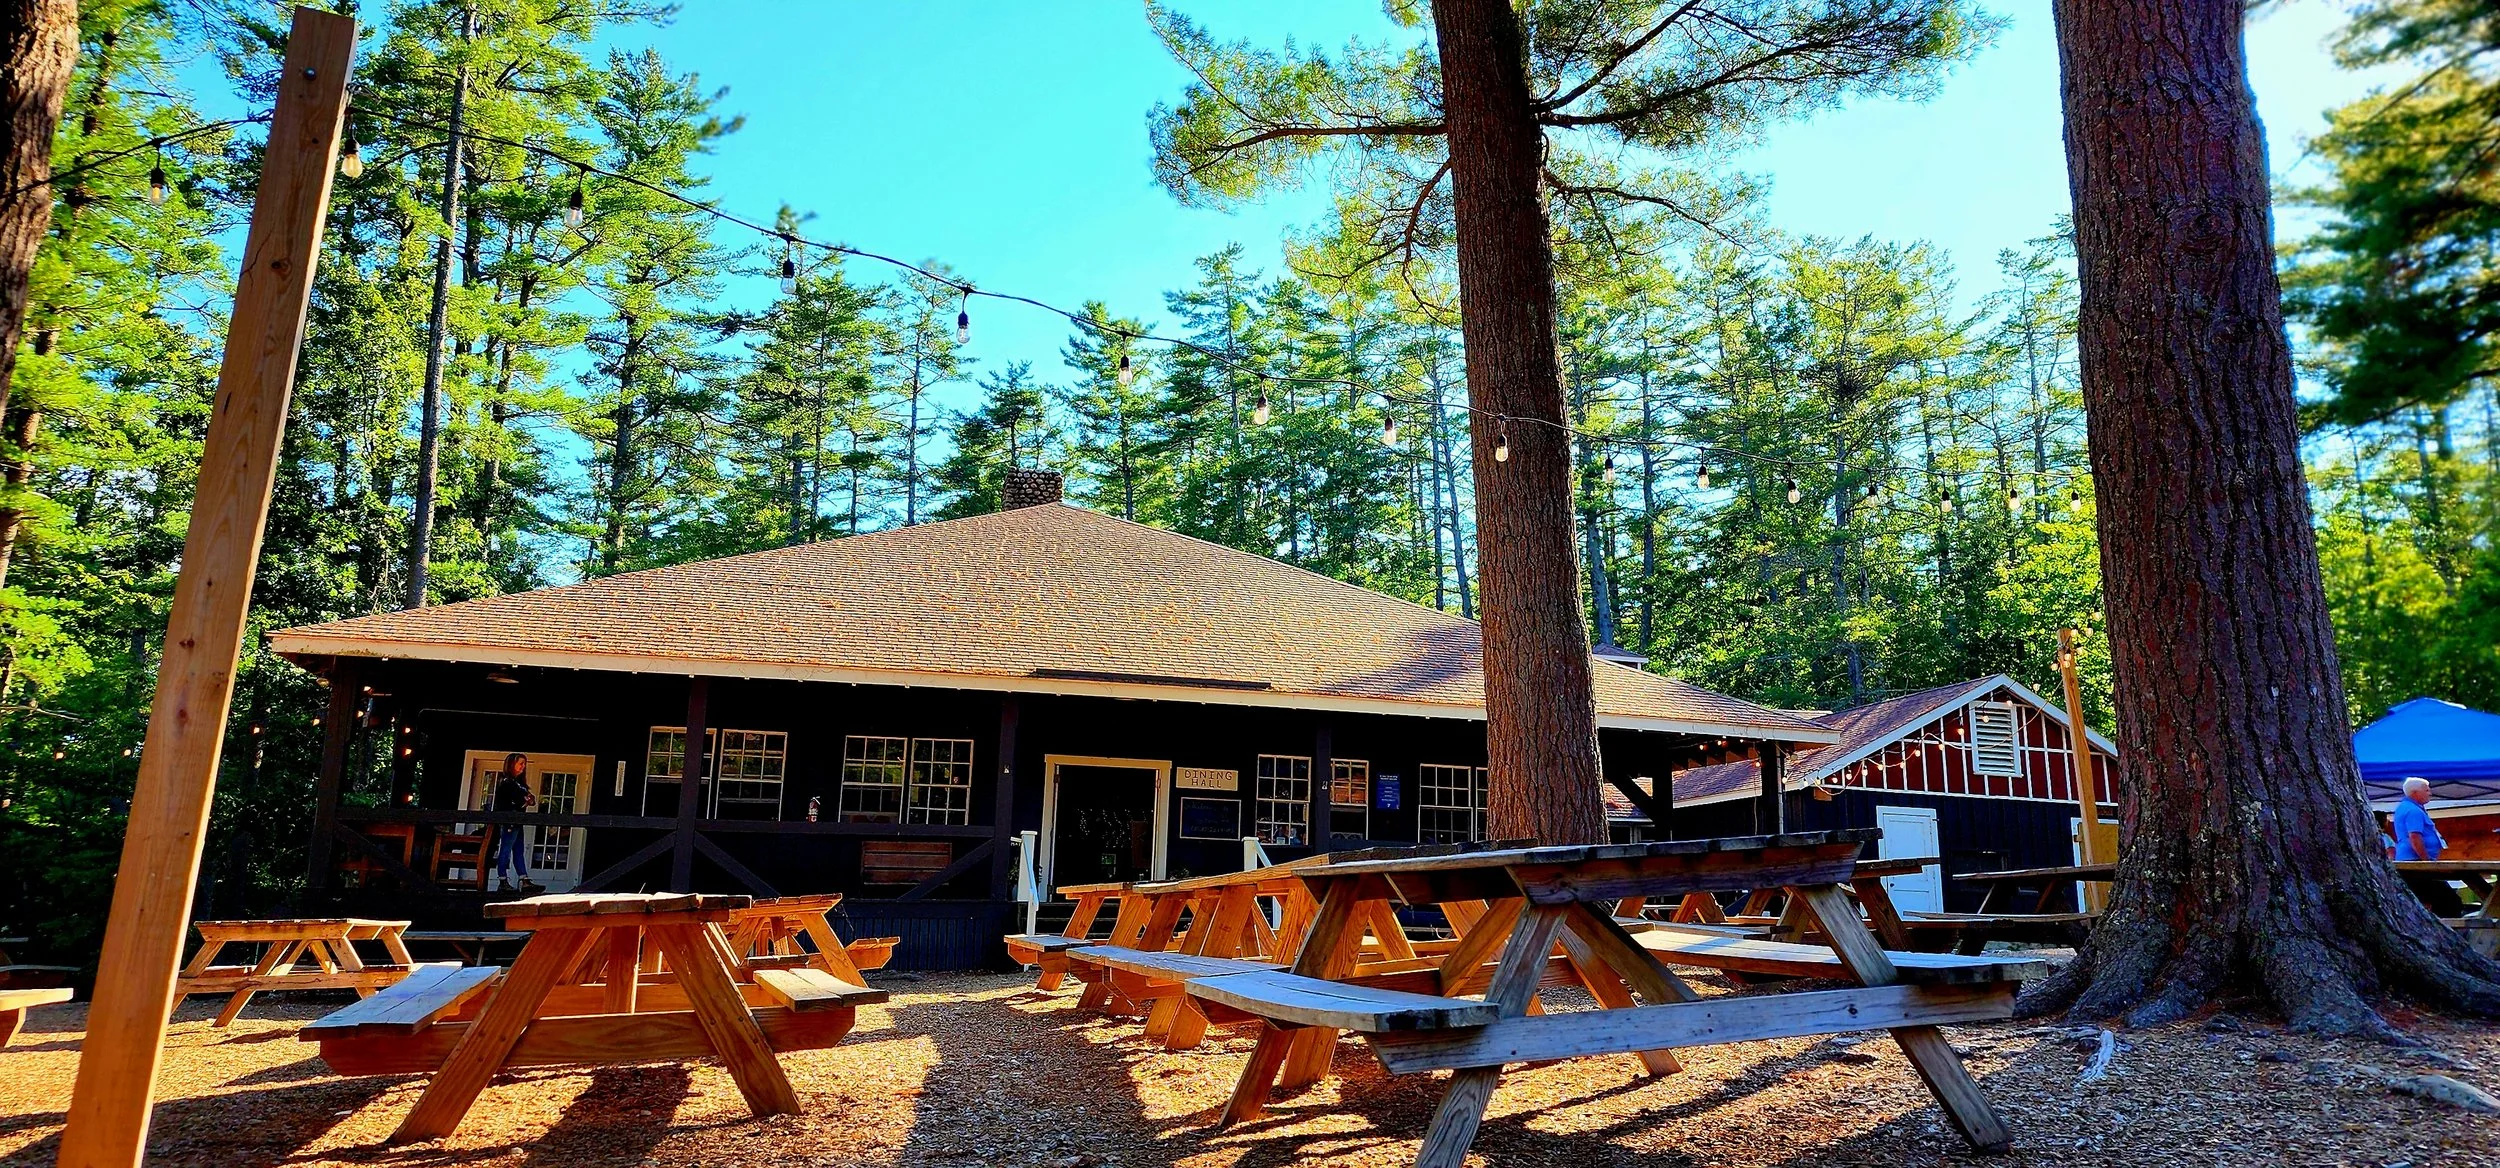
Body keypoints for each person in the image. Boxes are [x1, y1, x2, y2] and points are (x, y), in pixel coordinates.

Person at [2392, 776, 2463, 916]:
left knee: (2434, 900)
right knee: (2450, 901)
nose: (2430, 793)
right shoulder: (2413, 811)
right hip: (2416, 864)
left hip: (2412, 863)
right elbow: (2415, 837)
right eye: (2426, 790)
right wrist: (2426, 861)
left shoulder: (2407, 807)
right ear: (2415, 792)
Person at [490, 753, 539, 893]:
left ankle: (524, 879)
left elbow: (530, 799)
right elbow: (520, 800)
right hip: (509, 821)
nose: (523, 767)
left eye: (524, 764)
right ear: (512, 764)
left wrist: (527, 800)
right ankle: (502, 880)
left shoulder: (519, 783)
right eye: (520, 763)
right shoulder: (506, 782)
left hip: (518, 821)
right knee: (505, 850)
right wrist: (526, 801)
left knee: (518, 850)